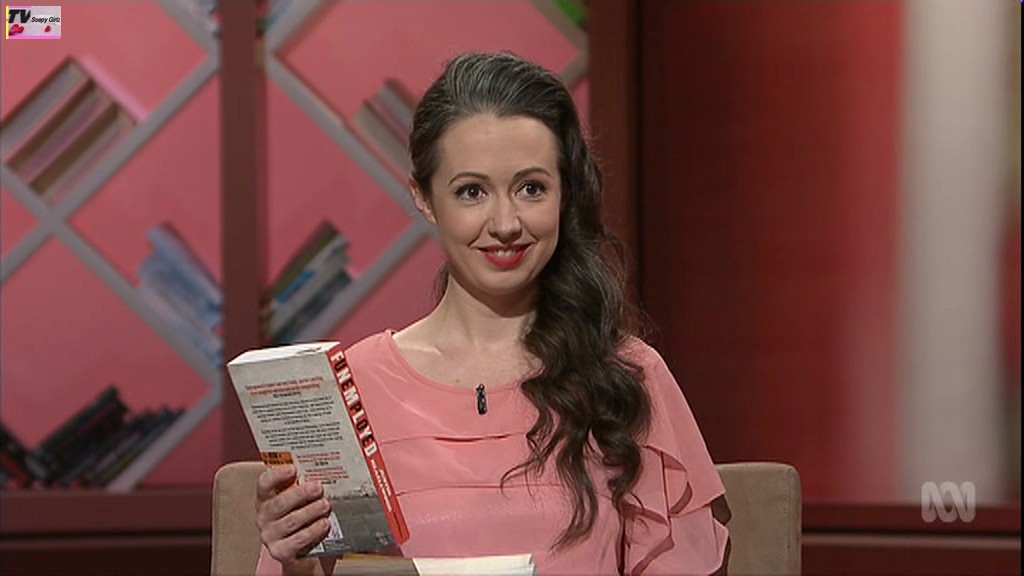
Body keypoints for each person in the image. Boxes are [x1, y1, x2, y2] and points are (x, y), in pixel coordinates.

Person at [254, 52, 729, 576]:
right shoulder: (348, 393)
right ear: (424, 198)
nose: (505, 223)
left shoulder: (627, 375)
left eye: (531, 188)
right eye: (472, 192)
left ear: (565, 194)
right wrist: (294, 560)